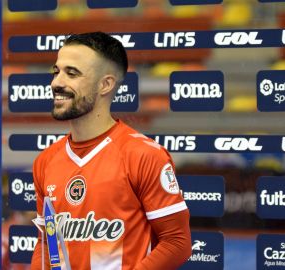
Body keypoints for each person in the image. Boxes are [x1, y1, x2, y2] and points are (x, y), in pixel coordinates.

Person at [31, 32, 191, 270]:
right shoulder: (46, 161)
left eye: (71, 73)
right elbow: (47, 241)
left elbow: (177, 243)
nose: (56, 83)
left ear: (105, 84)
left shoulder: (143, 155)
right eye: (56, 72)